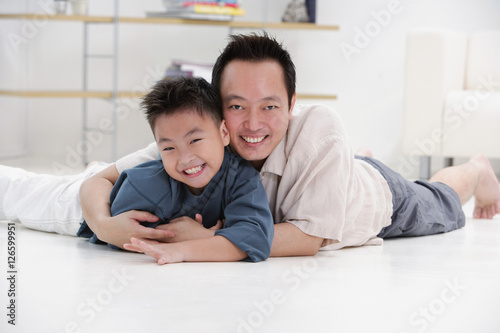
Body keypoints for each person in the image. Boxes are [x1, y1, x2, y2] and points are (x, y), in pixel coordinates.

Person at [2, 33, 500, 260]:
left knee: (437, 201)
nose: (253, 124)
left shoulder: (320, 124)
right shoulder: (203, 136)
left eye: (270, 106)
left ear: (293, 102)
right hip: (334, 169)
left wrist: (198, 241)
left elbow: (308, 239)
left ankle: (475, 168)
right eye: (237, 107)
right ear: (219, 112)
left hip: (373, 201)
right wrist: (106, 225)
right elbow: (104, 177)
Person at [1, 76, 274, 264]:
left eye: (195, 141)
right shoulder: (149, 187)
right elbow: (116, 221)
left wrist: (190, 245)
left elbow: (256, 238)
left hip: (109, 179)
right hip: (83, 209)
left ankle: (97, 167)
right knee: (17, 191)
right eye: (168, 148)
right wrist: (110, 227)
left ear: (224, 133)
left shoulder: (241, 178)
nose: (184, 159)